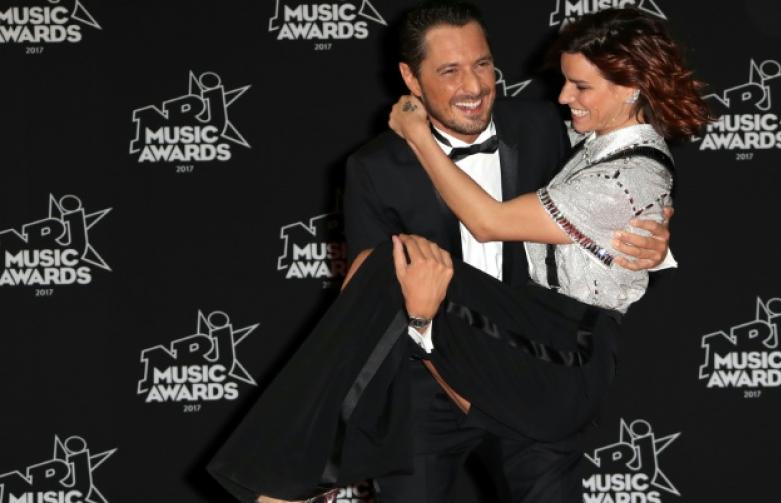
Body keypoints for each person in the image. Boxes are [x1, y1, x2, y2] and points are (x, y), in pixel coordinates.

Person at [206, 3, 695, 503]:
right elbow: (363, 290)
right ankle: (299, 468)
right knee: (387, 265)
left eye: (482, 64)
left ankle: (285, 480)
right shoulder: (375, 167)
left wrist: (655, 246)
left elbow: (615, 184)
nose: (474, 85)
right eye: (449, 71)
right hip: (427, 380)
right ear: (410, 79)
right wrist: (420, 328)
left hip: (534, 361)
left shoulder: (545, 126)